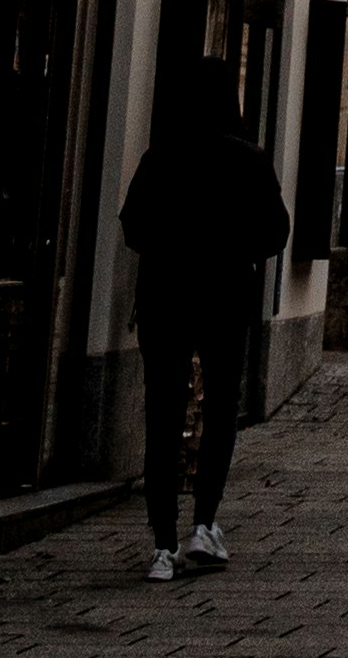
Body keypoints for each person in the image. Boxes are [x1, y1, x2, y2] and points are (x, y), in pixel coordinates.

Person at [120, 55, 289, 586]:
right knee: (220, 408)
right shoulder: (249, 159)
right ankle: (204, 523)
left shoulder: (161, 157)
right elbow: (276, 232)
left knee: (163, 412)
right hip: (225, 296)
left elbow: (134, 227)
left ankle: (162, 544)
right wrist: (235, 252)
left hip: (166, 297)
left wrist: (174, 251)